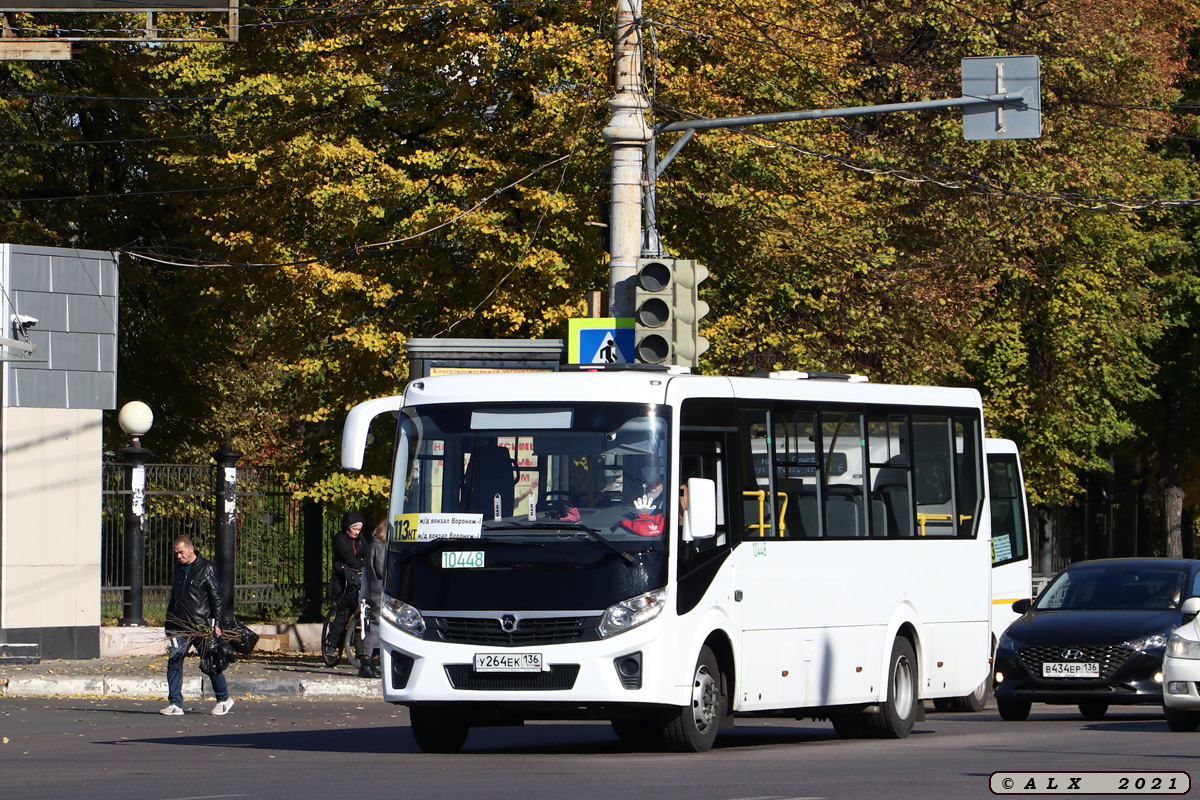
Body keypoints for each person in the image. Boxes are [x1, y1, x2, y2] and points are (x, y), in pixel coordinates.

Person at [161, 535, 234, 716]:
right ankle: (175, 704)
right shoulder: (177, 569)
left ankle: (223, 699)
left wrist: (216, 624)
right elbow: (174, 598)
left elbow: (216, 598)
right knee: (174, 661)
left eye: (181, 552)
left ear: (191, 549)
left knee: (210, 661)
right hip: (179, 626)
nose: (179, 556)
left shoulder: (206, 568)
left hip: (201, 626)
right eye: (176, 553)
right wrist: (169, 627)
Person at [326, 511, 368, 651]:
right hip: (342, 579)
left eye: (359, 529)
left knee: (360, 612)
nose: (357, 532)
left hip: (357, 578)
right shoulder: (340, 538)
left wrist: (367, 563)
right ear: (348, 527)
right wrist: (359, 564)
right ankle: (332, 645)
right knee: (343, 612)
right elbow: (348, 556)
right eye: (354, 529)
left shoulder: (362, 539)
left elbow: (366, 554)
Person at [358, 520, 388, 678]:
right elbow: (381, 569)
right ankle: (367, 660)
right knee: (376, 626)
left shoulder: (372, 545)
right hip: (378, 592)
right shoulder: (379, 547)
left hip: (372, 590)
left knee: (378, 625)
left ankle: (375, 661)